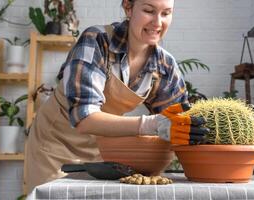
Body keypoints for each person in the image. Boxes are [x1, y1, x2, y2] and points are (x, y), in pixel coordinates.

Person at [25, 0, 209, 193]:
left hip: (102, 150)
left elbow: (181, 121)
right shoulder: (97, 41)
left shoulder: (165, 66)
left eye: (166, 13)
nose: (157, 22)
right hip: (55, 146)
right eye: (148, 10)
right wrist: (152, 124)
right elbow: (84, 118)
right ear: (128, 7)